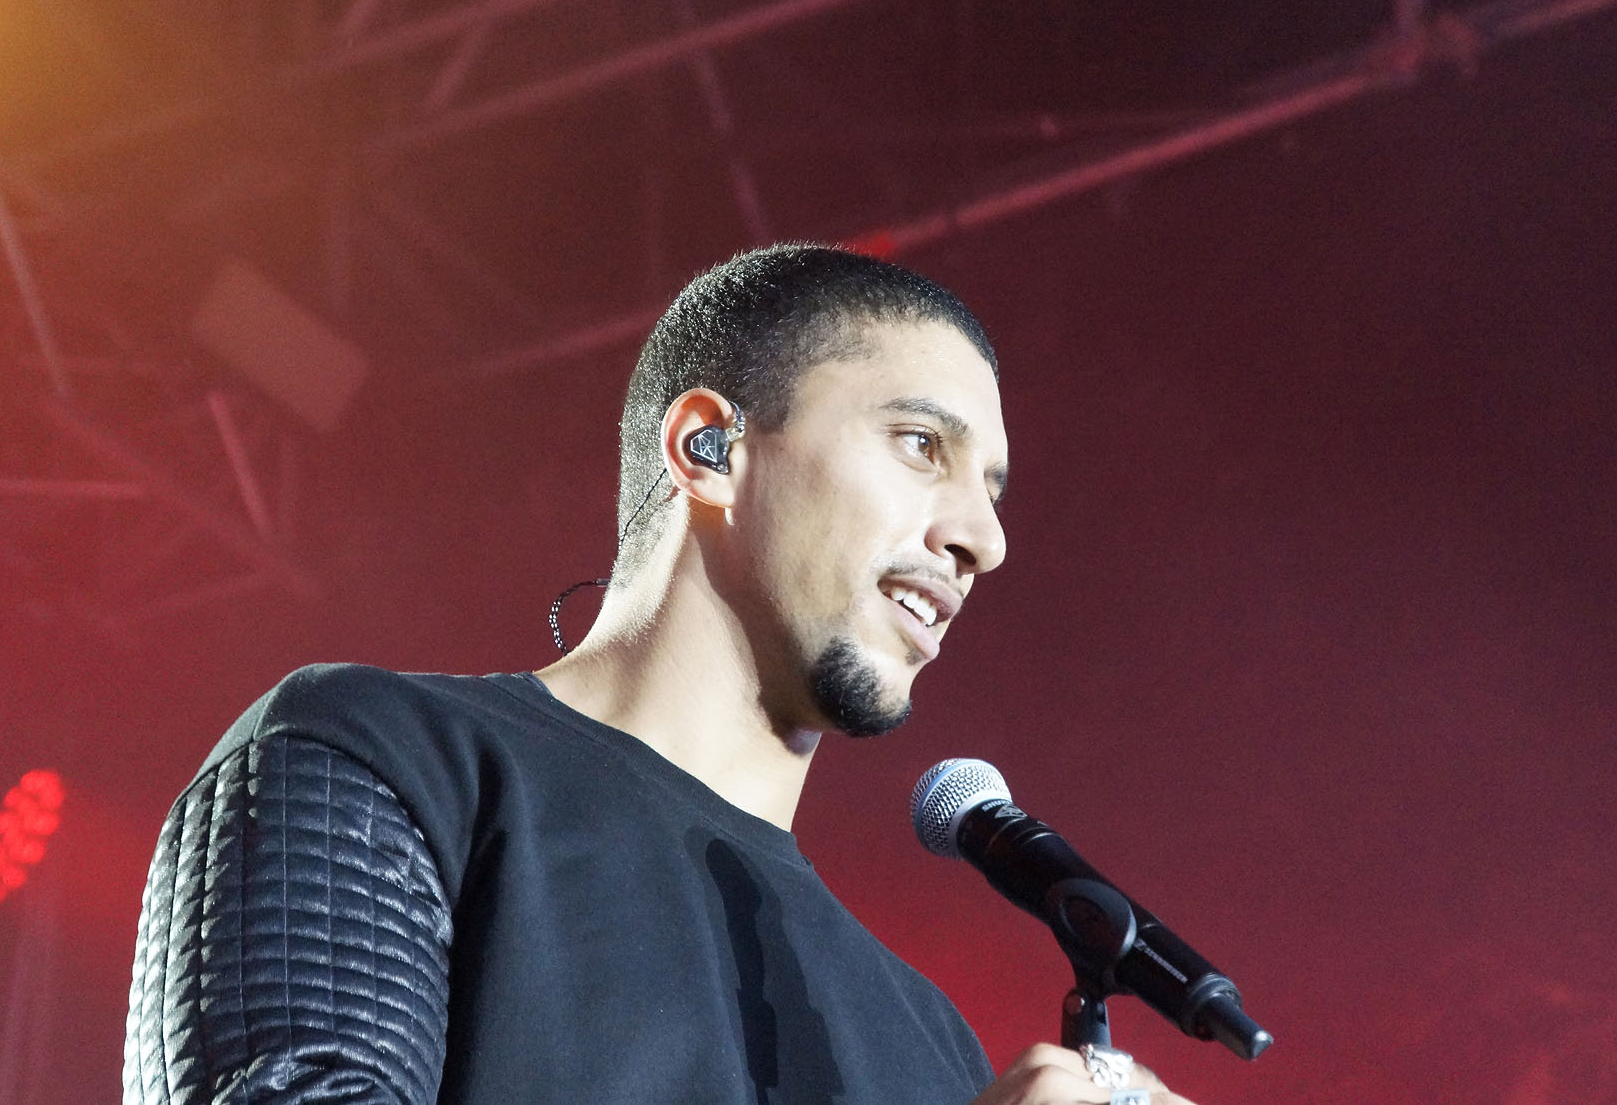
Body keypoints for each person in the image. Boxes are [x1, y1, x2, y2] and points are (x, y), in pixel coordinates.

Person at [123, 244, 1193, 1104]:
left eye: (995, 491)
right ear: (710, 448)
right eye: (922, 445)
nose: (983, 539)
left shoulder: (929, 1041)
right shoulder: (385, 759)